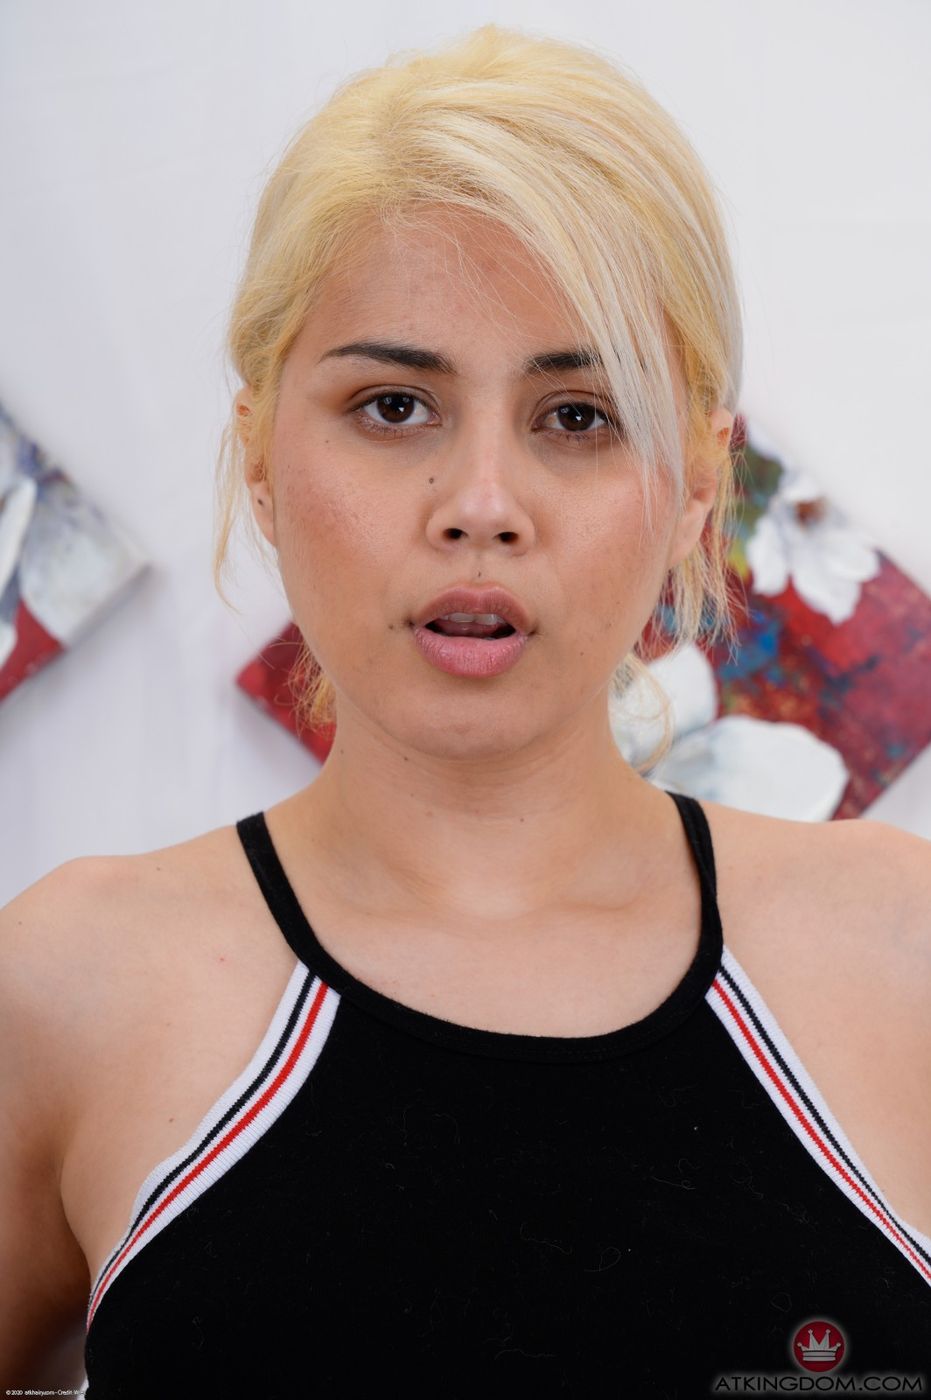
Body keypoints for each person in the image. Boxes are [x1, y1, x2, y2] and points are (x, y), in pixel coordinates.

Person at [2, 22, 929, 1397]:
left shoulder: (907, 957)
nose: (482, 506)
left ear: (696, 486)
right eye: (393, 406)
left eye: (578, 416)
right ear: (259, 456)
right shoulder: (69, 987)